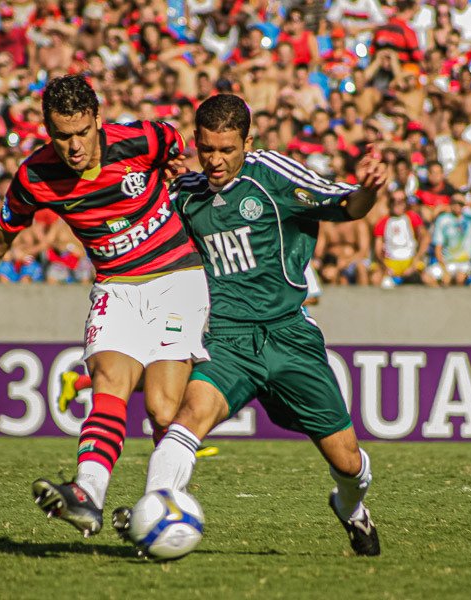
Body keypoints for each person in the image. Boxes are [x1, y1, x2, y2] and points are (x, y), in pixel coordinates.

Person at [0, 75, 210, 536]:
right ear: (47, 130)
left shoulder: (143, 138)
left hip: (176, 279)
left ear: (98, 120)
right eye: (62, 136)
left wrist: (177, 171)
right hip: (115, 286)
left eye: (82, 132)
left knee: (163, 410)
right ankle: (88, 494)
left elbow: (177, 149)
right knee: (108, 379)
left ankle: (157, 507)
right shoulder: (36, 176)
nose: (74, 146)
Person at [110, 94, 386, 556]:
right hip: (227, 340)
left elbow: (348, 206)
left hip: (288, 336)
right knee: (187, 419)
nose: (216, 160)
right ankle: (152, 514)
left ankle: (351, 507)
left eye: (227, 150)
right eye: (206, 149)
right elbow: (137, 224)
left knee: (348, 462)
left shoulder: (273, 176)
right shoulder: (186, 194)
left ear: (248, 143)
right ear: (195, 143)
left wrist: (369, 191)